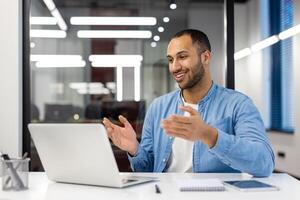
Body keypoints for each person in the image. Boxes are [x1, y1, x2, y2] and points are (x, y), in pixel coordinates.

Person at [103, 29, 275, 177]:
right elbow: (147, 169)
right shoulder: (159, 107)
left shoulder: (238, 104)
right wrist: (134, 149)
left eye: (182, 57)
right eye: (170, 60)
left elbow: (264, 163)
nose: (175, 67)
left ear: (205, 57)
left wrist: (209, 135)